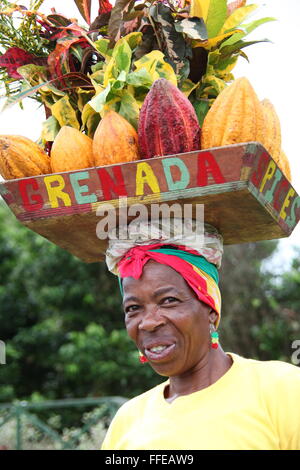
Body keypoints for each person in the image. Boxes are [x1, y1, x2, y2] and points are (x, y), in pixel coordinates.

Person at [101, 219, 300, 450]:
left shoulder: (283, 389)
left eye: (168, 301)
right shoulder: (128, 420)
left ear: (211, 309)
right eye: (133, 308)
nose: (149, 322)